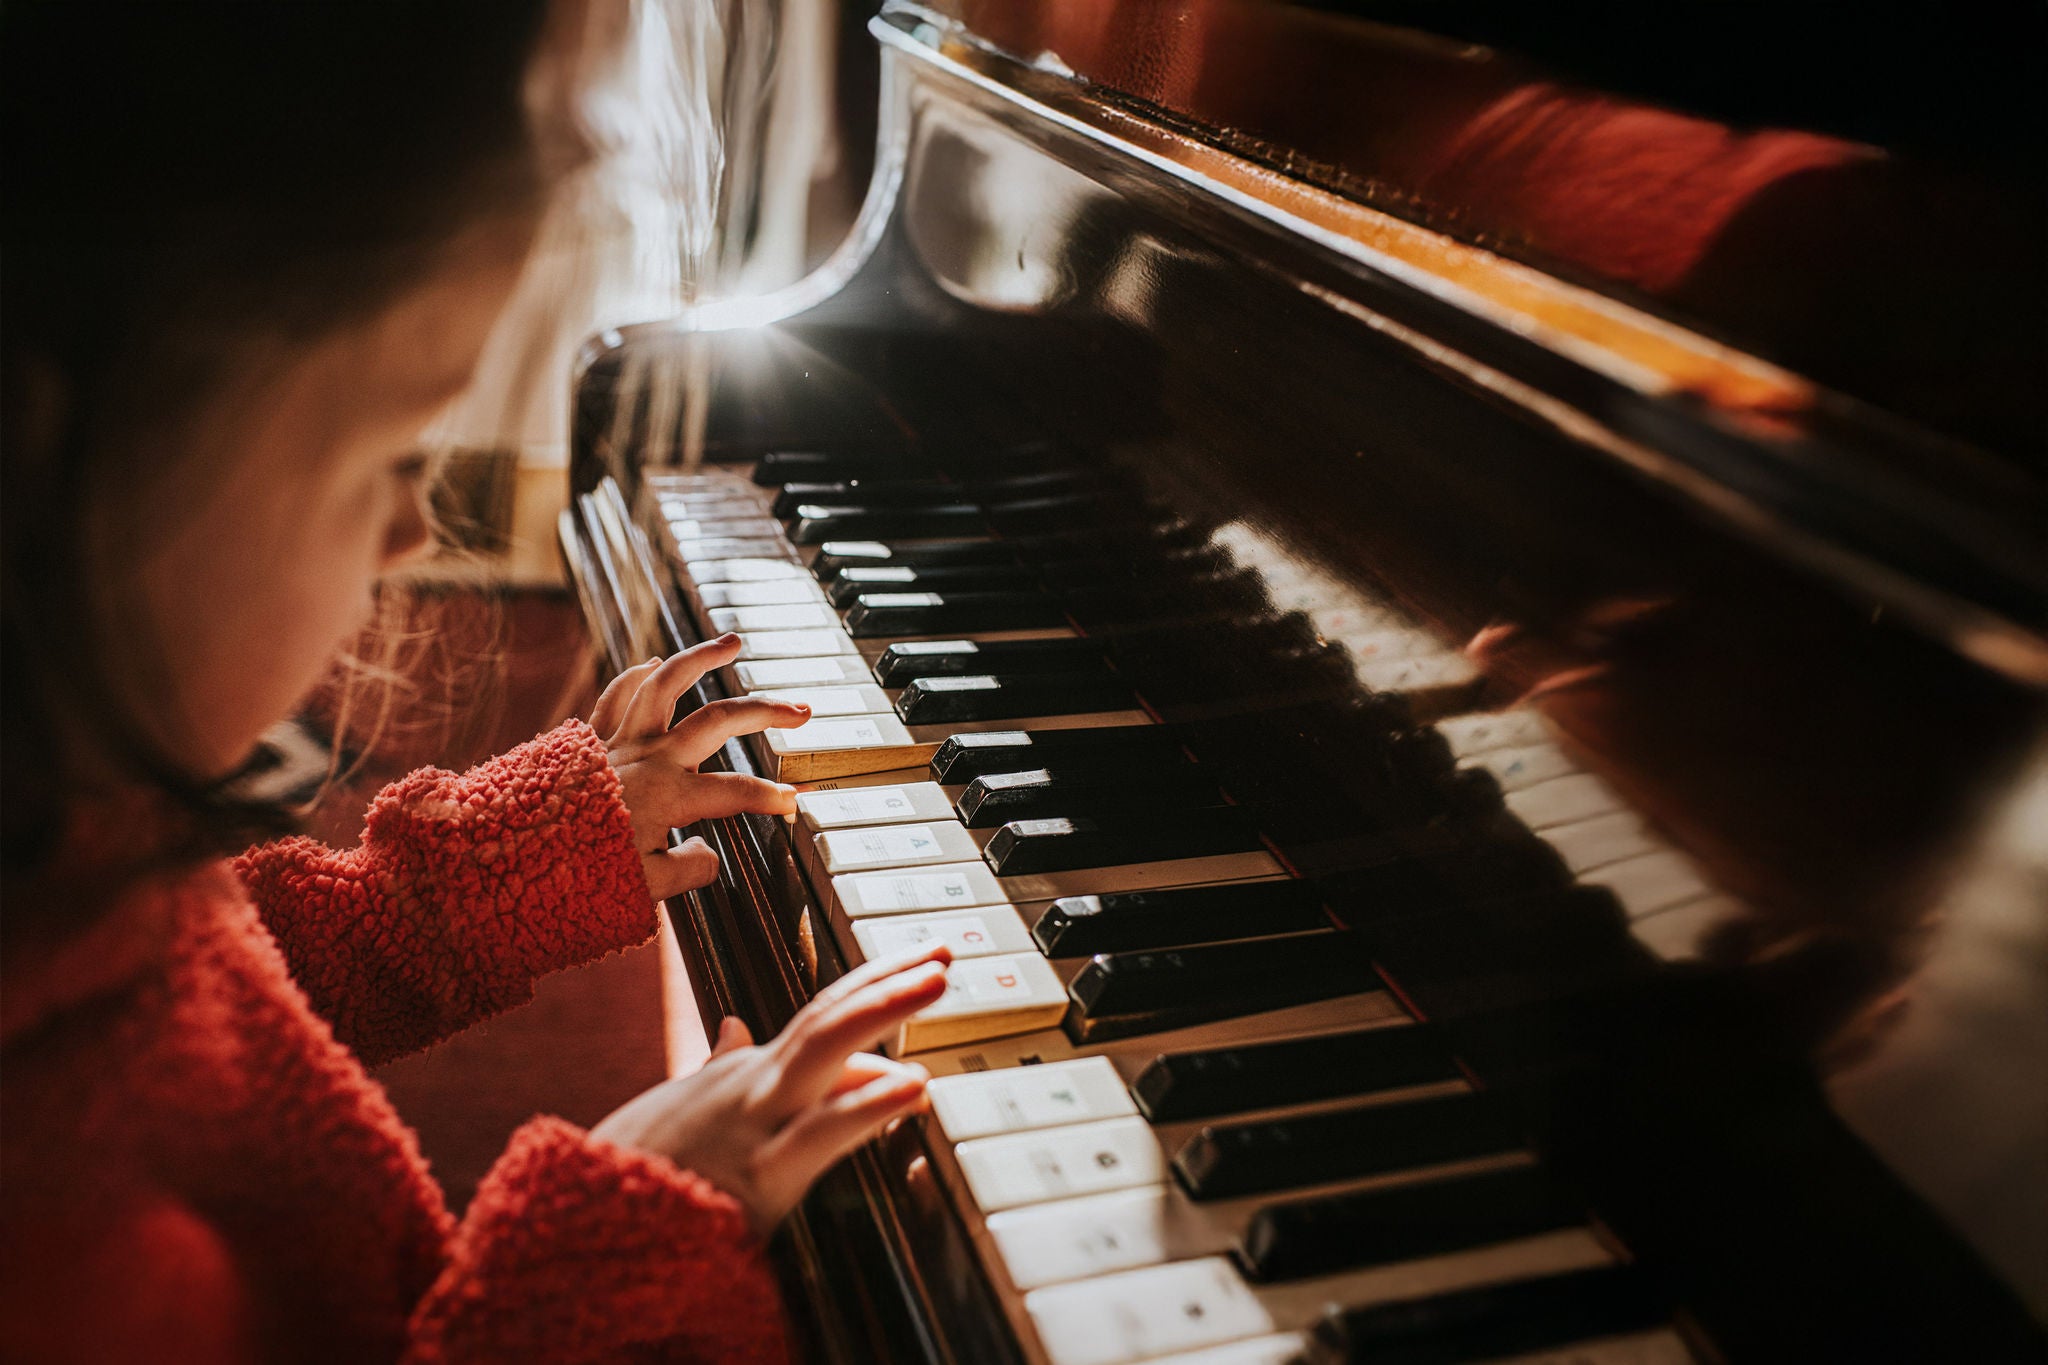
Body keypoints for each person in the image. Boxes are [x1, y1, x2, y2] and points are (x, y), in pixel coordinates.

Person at [0, 3, 947, 1361]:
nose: (415, 535)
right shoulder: (62, 1260)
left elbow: (235, 1004)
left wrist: (504, 857)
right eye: (393, 458)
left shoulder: (63, 844)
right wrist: (592, 1259)